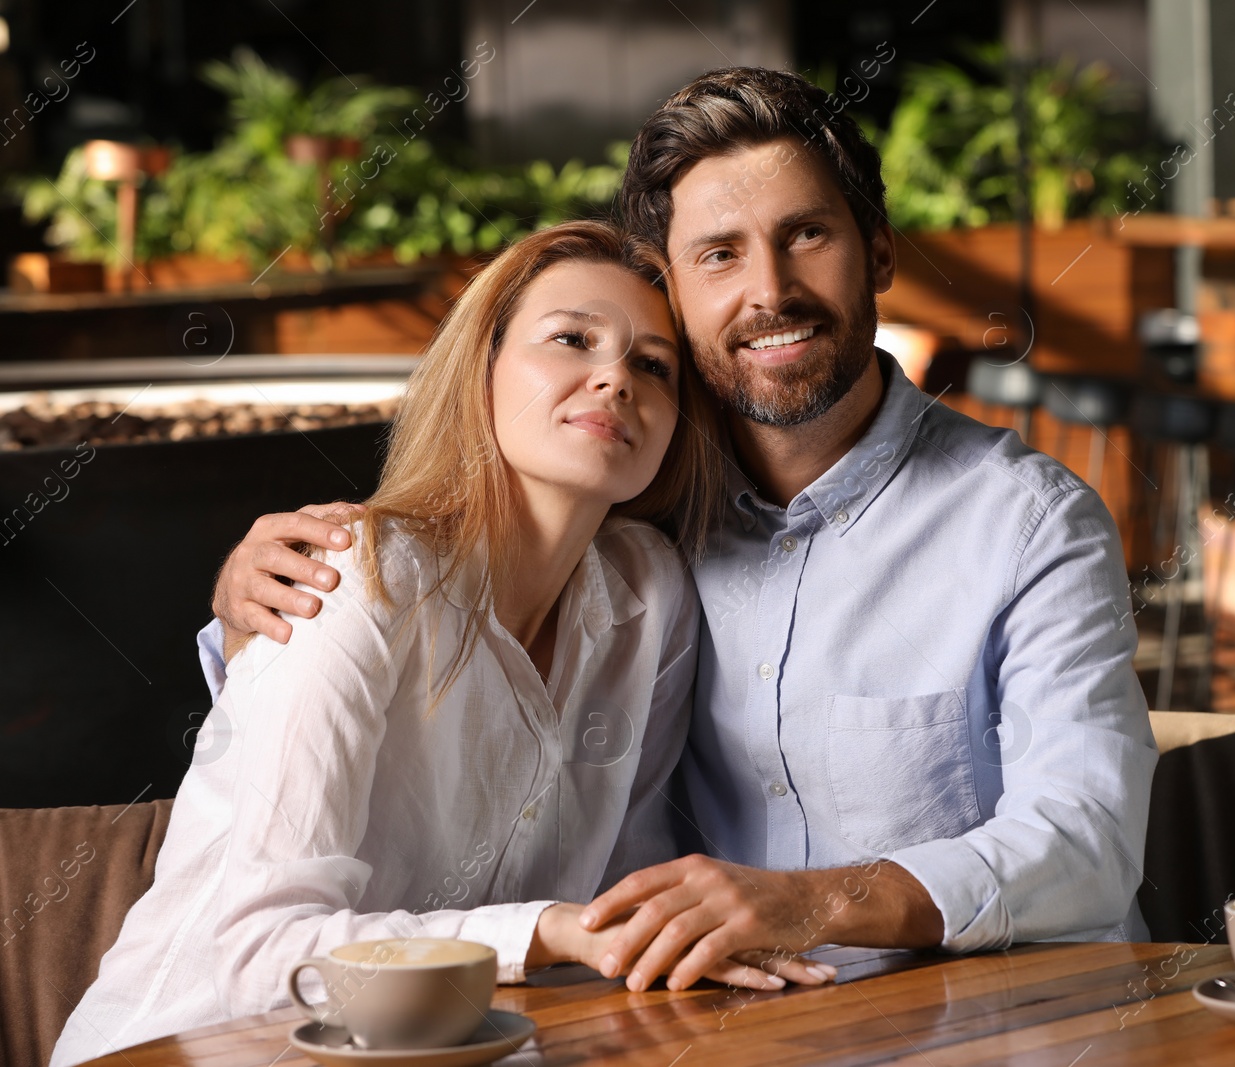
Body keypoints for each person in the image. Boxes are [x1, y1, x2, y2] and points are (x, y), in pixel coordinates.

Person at [205, 67, 1158, 998]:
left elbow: (1088, 841)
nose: (769, 289)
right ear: (676, 289)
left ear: (878, 253)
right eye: (719, 255)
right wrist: (251, 613)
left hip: (1009, 1021)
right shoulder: (634, 526)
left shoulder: (1029, 520)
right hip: (721, 1028)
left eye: (807, 235)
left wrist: (812, 902)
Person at [50, 221, 833, 1067]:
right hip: (195, 1047)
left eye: (653, 365)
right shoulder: (354, 574)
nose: (614, 377)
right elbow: (257, 954)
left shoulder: (652, 593)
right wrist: (548, 930)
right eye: (571, 339)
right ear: (482, 369)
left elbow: (622, 886)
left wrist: (673, 940)